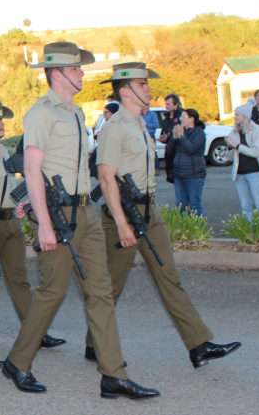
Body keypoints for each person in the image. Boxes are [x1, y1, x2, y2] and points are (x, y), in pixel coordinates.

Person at [4, 44, 159, 399]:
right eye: (76, 70)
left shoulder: (74, 113)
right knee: (52, 292)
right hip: (58, 216)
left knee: (100, 291)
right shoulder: (41, 114)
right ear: (57, 73)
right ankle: (18, 361)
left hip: (86, 210)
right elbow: (31, 170)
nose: (82, 74)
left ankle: (113, 374)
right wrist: (43, 224)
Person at [96, 61, 242, 377]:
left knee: (168, 276)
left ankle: (198, 345)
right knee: (110, 287)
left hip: (149, 212)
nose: (149, 89)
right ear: (125, 90)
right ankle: (96, 342)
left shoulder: (140, 124)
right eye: (143, 84)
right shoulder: (114, 128)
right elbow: (106, 178)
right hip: (121, 215)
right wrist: (121, 223)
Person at [0, 100, 65, 348]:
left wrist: (19, 203)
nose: (1, 125)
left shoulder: (4, 151)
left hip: (10, 223)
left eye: (1, 120)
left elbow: (7, 186)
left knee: (19, 279)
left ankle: (34, 331)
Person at [229, 100, 259, 220]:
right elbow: (231, 156)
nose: (235, 117)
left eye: (237, 114)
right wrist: (229, 148)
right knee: (245, 206)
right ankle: (248, 232)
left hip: (255, 172)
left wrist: (238, 146)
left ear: (245, 116)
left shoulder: (257, 130)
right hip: (239, 173)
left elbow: (256, 152)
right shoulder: (235, 131)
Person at [171, 109, 208, 216]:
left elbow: (191, 149)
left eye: (183, 116)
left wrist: (181, 136)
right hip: (179, 174)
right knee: (180, 205)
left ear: (191, 119)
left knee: (194, 204)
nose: (180, 119)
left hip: (194, 174)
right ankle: (184, 230)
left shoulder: (199, 133)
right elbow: (170, 150)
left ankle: (199, 230)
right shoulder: (180, 131)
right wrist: (174, 138)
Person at [158, 94, 183, 181]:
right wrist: (163, 138)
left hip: (180, 155)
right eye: (166, 104)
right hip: (169, 156)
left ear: (175, 105)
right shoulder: (166, 119)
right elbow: (164, 135)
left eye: (168, 104)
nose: (166, 106)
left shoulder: (183, 117)